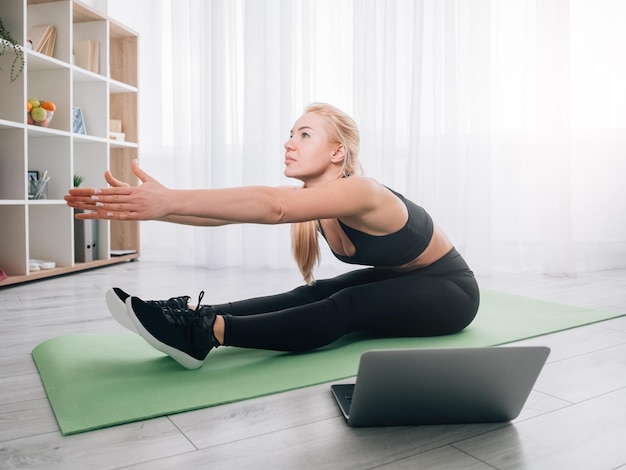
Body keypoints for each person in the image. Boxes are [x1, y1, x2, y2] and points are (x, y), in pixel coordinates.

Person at [64, 103, 480, 370]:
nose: (289, 142)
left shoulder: (364, 191)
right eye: (291, 133)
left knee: (347, 303)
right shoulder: (315, 200)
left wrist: (169, 197)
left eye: (304, 134)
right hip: (406, 280)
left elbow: (272, 206)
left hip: (451, 292)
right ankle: (190, 312)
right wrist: (158, 207)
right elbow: (223, 218)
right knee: (313, 293)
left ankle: (206, 332)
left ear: (338, 152)